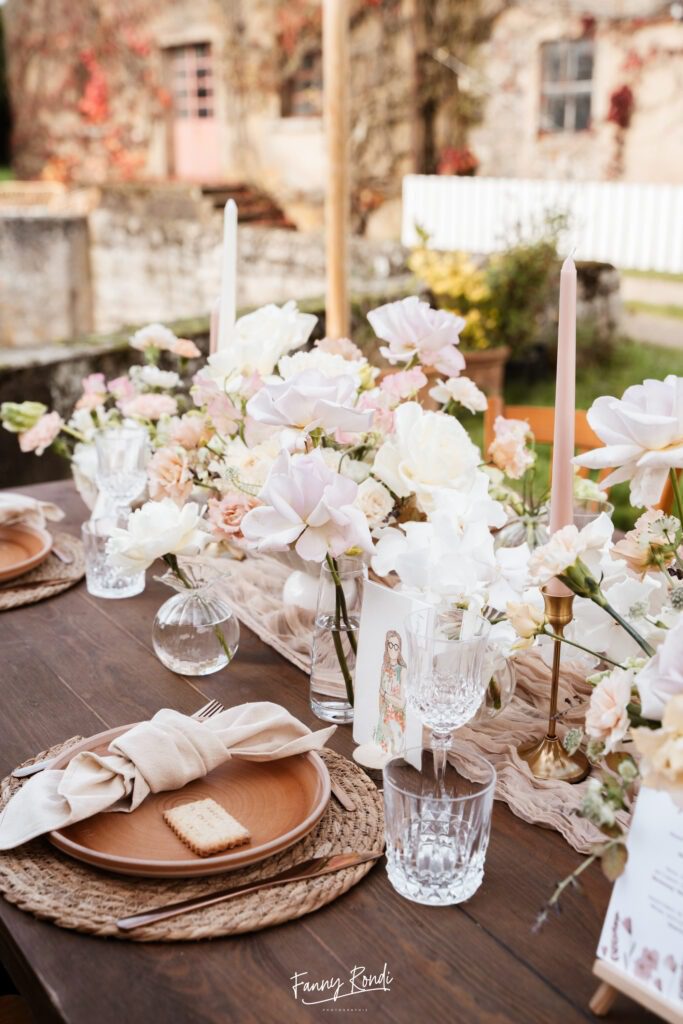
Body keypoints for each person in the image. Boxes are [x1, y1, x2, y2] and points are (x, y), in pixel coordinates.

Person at [374, 629, 407, 754]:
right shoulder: (384, 667)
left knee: (395, 750)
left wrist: (385, 695)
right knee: (381, 750)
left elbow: (401, 703)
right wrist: (381, 718)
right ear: (387, 647)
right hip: (384, 719)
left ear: (399, 649)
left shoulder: (403, 671)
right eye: (390, 645)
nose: (393, 649)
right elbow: (379, 694)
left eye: (396, 646)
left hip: (397, 719)